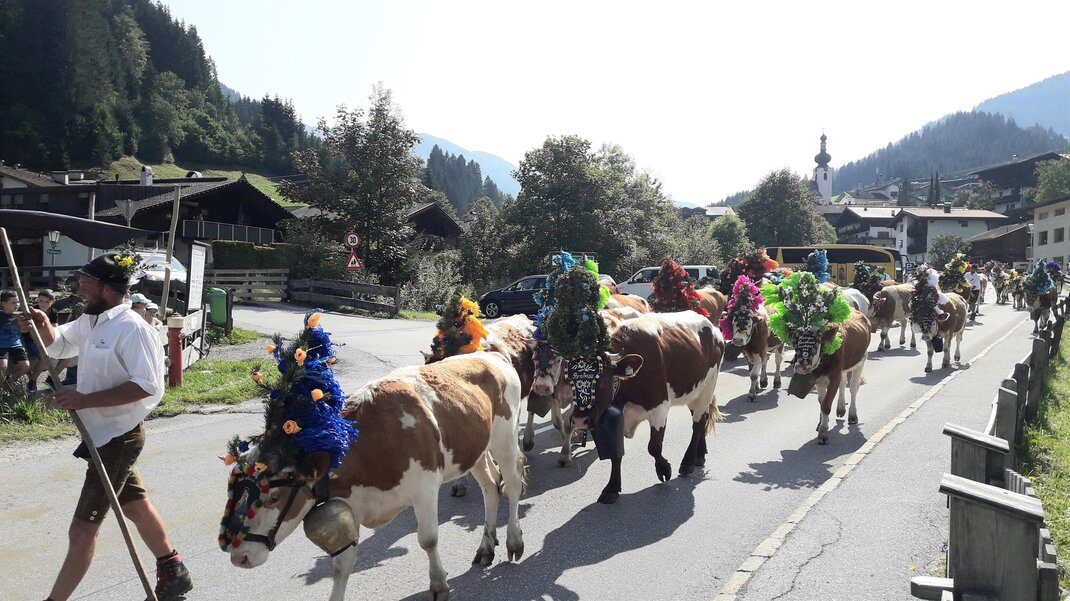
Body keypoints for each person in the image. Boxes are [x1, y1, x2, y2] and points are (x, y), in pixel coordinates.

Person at [19, 253, 193, 601]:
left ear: (108, 288)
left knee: (82, 531)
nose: (79, 289)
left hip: (119, 437)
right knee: (134, 506)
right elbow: (60, 343)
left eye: (86, 283)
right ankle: (174, 571)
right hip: (101, 436)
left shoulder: (133, 328)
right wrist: (42, 323)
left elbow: (147, 386)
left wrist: (84, 400)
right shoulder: (92, 319)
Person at [25, 289, 60, 391]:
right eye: (40, 301)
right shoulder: (32, 311)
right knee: (45, 356)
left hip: (47, 340)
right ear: (37, 300)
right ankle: (32, 381)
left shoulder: (53, 312)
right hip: (32, 341)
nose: (43, 304)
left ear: (52, 302)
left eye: (47, 301)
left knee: (67, 356)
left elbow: (55, 328)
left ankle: (51, 379)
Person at [1, 290, 31, 385]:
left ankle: (8, 384)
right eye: (13, 302)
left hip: (16, 345)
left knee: (26, 366)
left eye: (18, 302)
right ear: (4, 304)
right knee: (3, 366)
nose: (17, 305)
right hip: (1, 345)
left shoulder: (21, 315)